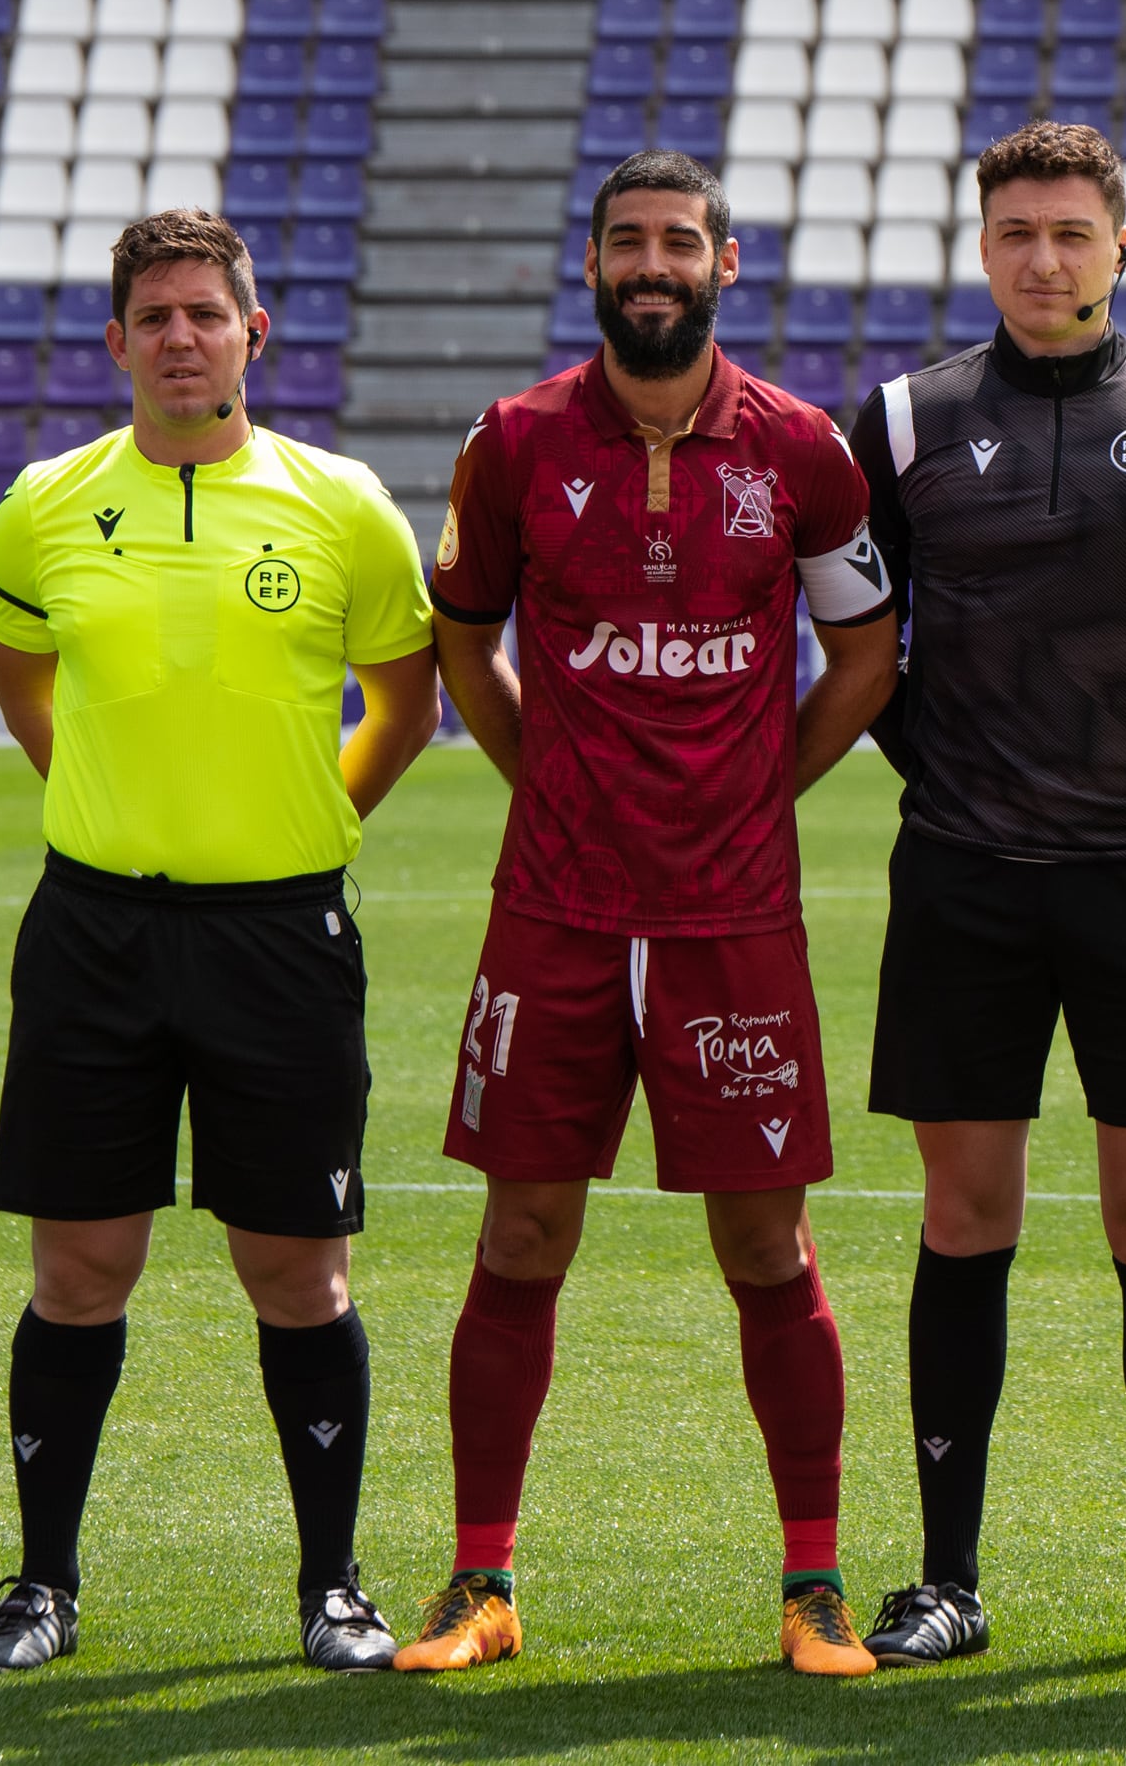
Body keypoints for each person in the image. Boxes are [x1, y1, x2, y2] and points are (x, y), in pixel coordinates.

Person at [396, 150, 904, 1678]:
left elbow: (868, 659)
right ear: (598, 264)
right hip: (552, 910)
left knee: (766, 1243)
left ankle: (813, 1586)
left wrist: (758, 793)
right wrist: (543, 774)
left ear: (724, 265)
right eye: (628, 242)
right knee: (526, 1229)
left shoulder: (805, 452)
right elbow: (460, 641)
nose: (652, 264)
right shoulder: (519, 441)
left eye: (680, 241)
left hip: (730, 915)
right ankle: (481, 1581)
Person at [0, 209, 441, 1672]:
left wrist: (308, 821)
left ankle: (333, 1588)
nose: (182, 338)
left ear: (254, 334)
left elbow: (405, 706)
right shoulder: (44, 502)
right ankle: (44, 1585)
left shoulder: (342, 503)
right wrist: (118, 812)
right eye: (155, 318)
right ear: (117, 343)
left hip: (281, 938)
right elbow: (23, 677)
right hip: (94, 932)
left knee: (298, 1274)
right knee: (79, 1269)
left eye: (205, 315)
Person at [845, 120, 1126, 1675]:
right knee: (968, 1215)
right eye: (1016, 231)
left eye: (1071, 232)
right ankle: (948, 1577)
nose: (1043, 258)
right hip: (966, 876)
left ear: (1123, 244)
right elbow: (863, 648)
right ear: (982, 247)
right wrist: (943, 765)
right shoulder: (902, 418)